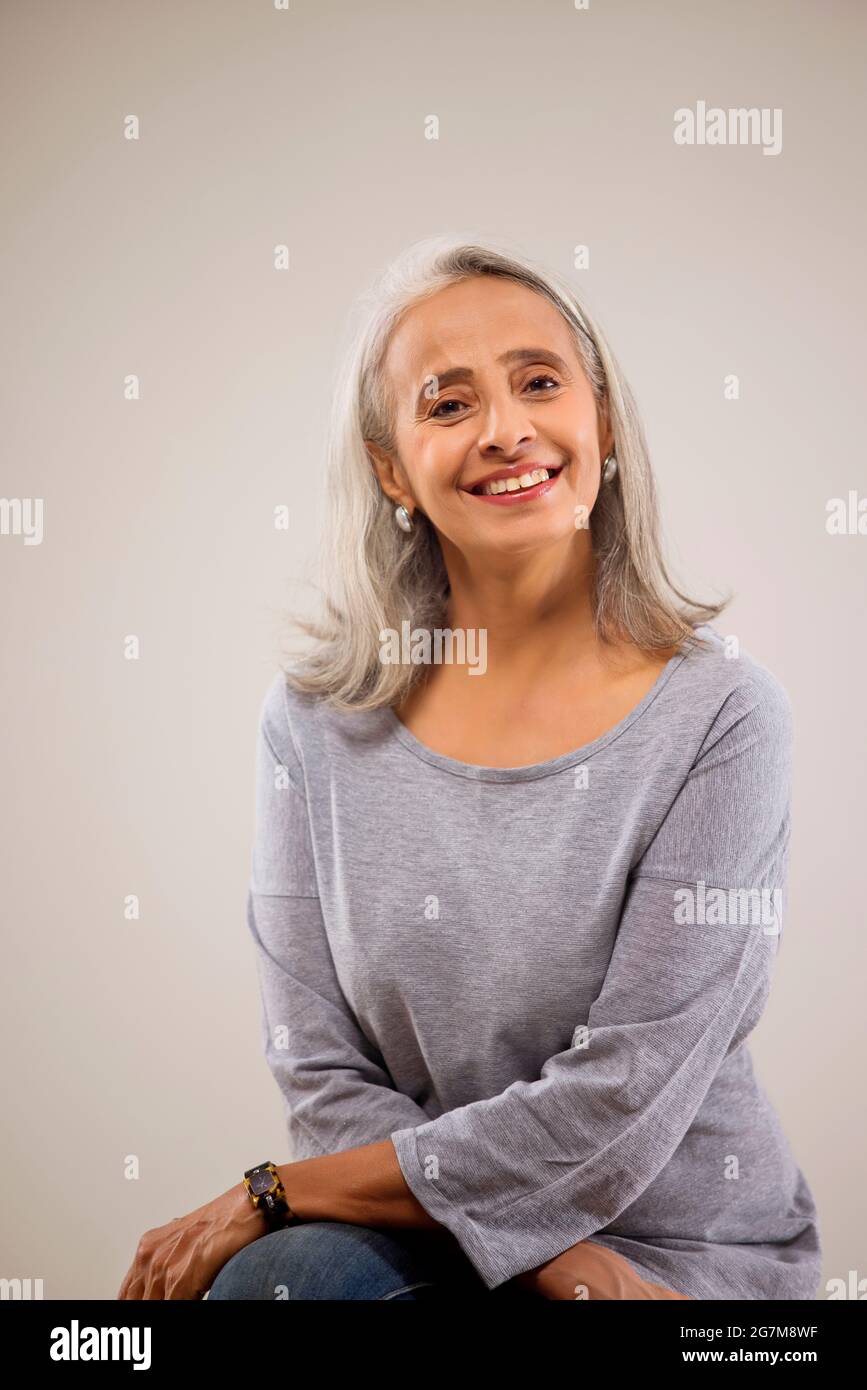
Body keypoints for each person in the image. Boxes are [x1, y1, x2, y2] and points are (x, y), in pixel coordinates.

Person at [119, 236, 822, 1301]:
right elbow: (320, 1068)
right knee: (286, 1282)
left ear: (604, 423)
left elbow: (626, 1090)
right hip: (427, 1241)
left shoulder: (722, 714)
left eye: (540, 382)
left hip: (675, 1265)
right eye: (448, 404)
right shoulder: (310, 727)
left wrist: (270, 1189)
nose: (506, 429)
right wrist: (534, 1250)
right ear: (391, 467)